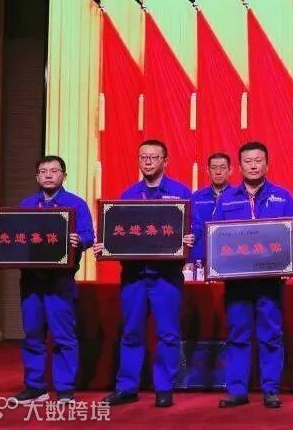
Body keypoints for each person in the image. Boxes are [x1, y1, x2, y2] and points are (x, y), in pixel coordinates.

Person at [0, 156, 94, 403]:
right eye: (43, 171)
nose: (48, 175)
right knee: (32, 334)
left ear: (64, 175)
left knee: (63, 336)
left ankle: (65, 390)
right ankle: (35, 387)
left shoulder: (75, 204)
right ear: (37, 177)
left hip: (60, 281)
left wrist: (79, 240)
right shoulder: (28, 203)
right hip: (31, 280)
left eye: (54, 171)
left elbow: (88, 235)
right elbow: (14, 235)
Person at [97, 139, 195, 408]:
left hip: (166, 277)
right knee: (131, 332)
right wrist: (105, 244)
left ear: (166, 161)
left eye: (154, 157)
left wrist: (190, 239)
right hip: (134, 276)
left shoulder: (180, 192)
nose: (148, 162)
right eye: (143, 157)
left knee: (168, 334)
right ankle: (127, 387)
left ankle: (164, 388)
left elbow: (194, 228)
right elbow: (118, 231)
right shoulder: (128, 194)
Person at [213, 141, 293, 409]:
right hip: (237, 282)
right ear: (239, 167)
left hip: (270, 281)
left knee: (271, 335)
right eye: (248, 161)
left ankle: (270, 389)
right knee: (237, 335)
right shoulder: (226, 198)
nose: (253, 165)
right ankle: (237, 390)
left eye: (258, 160)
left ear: (267, 165)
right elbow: (215, 236)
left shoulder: (282, 197)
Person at [190, 153, 233, 274]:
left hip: (229, 259)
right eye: (214, 168)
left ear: (230, 170)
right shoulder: (196, 197)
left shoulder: (238, 197)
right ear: (208, 171)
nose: (218, 172)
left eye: (223, 167)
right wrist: (189, 260)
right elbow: (189, 231)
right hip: (200, 261)